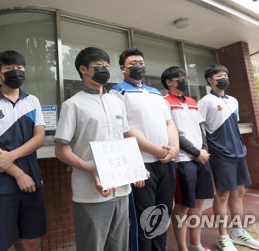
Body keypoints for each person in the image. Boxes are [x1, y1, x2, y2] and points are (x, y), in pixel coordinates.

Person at [54, 47, 146, 251]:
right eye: (98, 67)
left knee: (119, 245)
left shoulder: (115, 101)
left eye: (106, 66)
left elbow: (125, 138)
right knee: (92, 246)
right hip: (91, 192)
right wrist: (92, 169)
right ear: (83, 69)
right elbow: (61, 150)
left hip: (121, 189)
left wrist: (136, 165)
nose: (104, 70)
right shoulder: (73, 105)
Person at [0, 50, 46, 251]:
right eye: (10, 68)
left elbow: (39, 138)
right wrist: (18, 173)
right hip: (0, 183)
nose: (16, 72)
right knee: (5, 244)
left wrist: (11, 156)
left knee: (32, 241)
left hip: (32, 180)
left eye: (20, 68)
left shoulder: (33, 101)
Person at [110, 47, 179, 251]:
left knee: (162, 215)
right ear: (123, 68)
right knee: (144, 219)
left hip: (166, 163)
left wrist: (173, 149)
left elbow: (169, 123)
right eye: (132, 64)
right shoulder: (117, 92)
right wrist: (155, 150)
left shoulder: (156, 92)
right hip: (141, 165)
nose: (138, 66)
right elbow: (124, 129)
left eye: (141, 62)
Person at [198, 64, 259, 251]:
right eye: (219, 75)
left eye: (225, 75)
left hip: (238, 152)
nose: (223, 78)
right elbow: (199, 128)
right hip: (221, 155)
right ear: (210, 80)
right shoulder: (205, 101)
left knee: (239, 192)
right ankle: (223, 236)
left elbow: (232, 127)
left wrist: (241, 146)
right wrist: (205, 150)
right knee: (222, 195)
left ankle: (238, 231)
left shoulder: (233, 101)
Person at [161, 66, 214, 251]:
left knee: (199, 205)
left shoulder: (192, 101)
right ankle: (183, 248)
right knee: (183, 207)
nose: (184, 80)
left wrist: (204, 149)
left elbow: (201, 128)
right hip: (183, 160)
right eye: (179, 77)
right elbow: (172, 132)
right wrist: (195, 152)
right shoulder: (164, 102)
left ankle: (196, 245)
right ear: (169, 81)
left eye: (185, 76)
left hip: (201, 157)